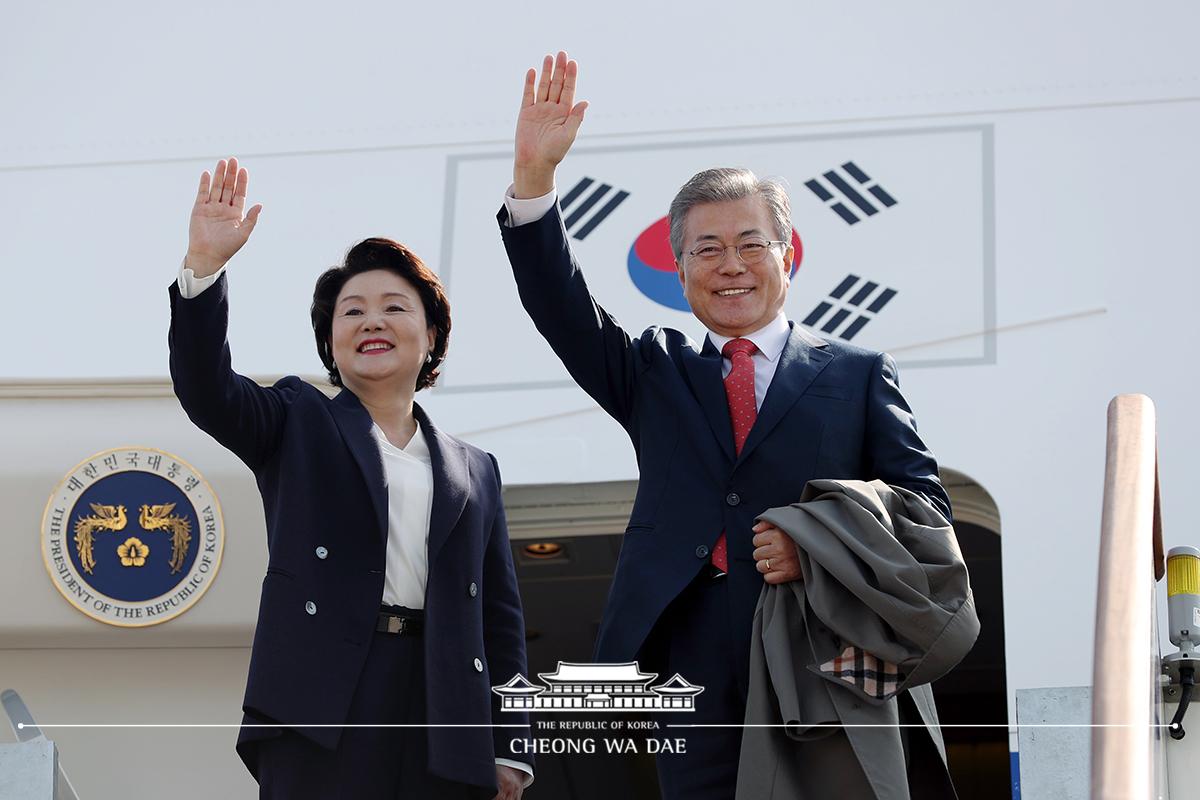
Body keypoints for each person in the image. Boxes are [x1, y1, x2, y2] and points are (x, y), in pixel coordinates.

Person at [498, 53, 957, 798]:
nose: (730, 264)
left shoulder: (858, 372)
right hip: (691, 646)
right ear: (680, 273)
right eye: (706, 249)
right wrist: (533, 181)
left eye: (750, 243)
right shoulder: (652, 370)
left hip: (823, 636)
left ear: (787, 256)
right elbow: (557, 301)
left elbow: (926, 514)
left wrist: (820, 543)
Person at [169, 158, 532, 799]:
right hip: (325, 698)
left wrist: (509, 746)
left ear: (431, 334)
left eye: (395, 307)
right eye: (351, 311)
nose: (371, 321)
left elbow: (498, 618)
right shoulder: (296, 419)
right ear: (330, 341)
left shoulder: (476, 469)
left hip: (441, 703)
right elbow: (208, 393)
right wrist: (204, 268)